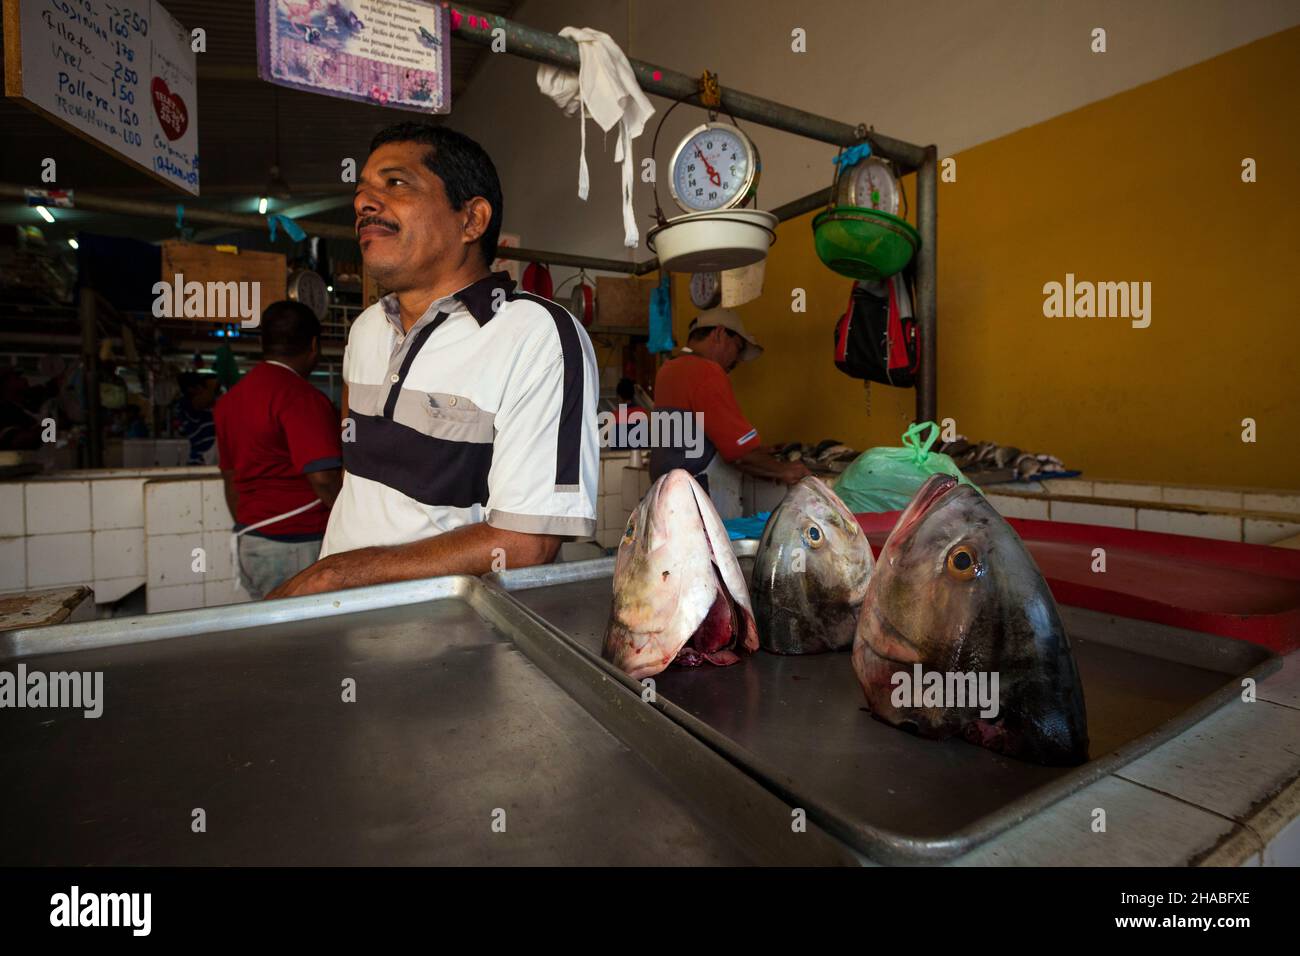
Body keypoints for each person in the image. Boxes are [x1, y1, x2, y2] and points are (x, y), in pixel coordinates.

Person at [266, 123, 599, 599]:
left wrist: (335, 574)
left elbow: (528, 542)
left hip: (450, 645)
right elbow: (356, 475)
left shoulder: (536, 336)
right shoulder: (365, 331)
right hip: (342, 619)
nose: (363, 203)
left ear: (471, 220)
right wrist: (336, 581)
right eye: (362, 189)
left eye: (395, 183)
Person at [214, 300, 343, 599]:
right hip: (296, 545)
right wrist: (355, 523)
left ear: (263, 342)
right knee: (307, 640)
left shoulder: (229, 401)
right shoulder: (301, 397)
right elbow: (324, 479)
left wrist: (254, 526)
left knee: (275, 640)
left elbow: (230, 479)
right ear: (314, 345)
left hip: (250, 543)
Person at [650, 308, 809, 518]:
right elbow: (739, 453)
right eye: (738, 348)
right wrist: (785, 470)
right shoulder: (706, 371)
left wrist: (757, 451)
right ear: (719, 334)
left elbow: (696, 435)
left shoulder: (667, 370)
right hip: (700, 499)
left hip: (668, 497)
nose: (736, 361)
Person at [174, 372, 219, 464]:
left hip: (204, 460)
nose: (205, 392)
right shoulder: (187, 405)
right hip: (202, 461)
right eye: (203, 388)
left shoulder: (183, 407)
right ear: (192, 389)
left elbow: (181, 430)